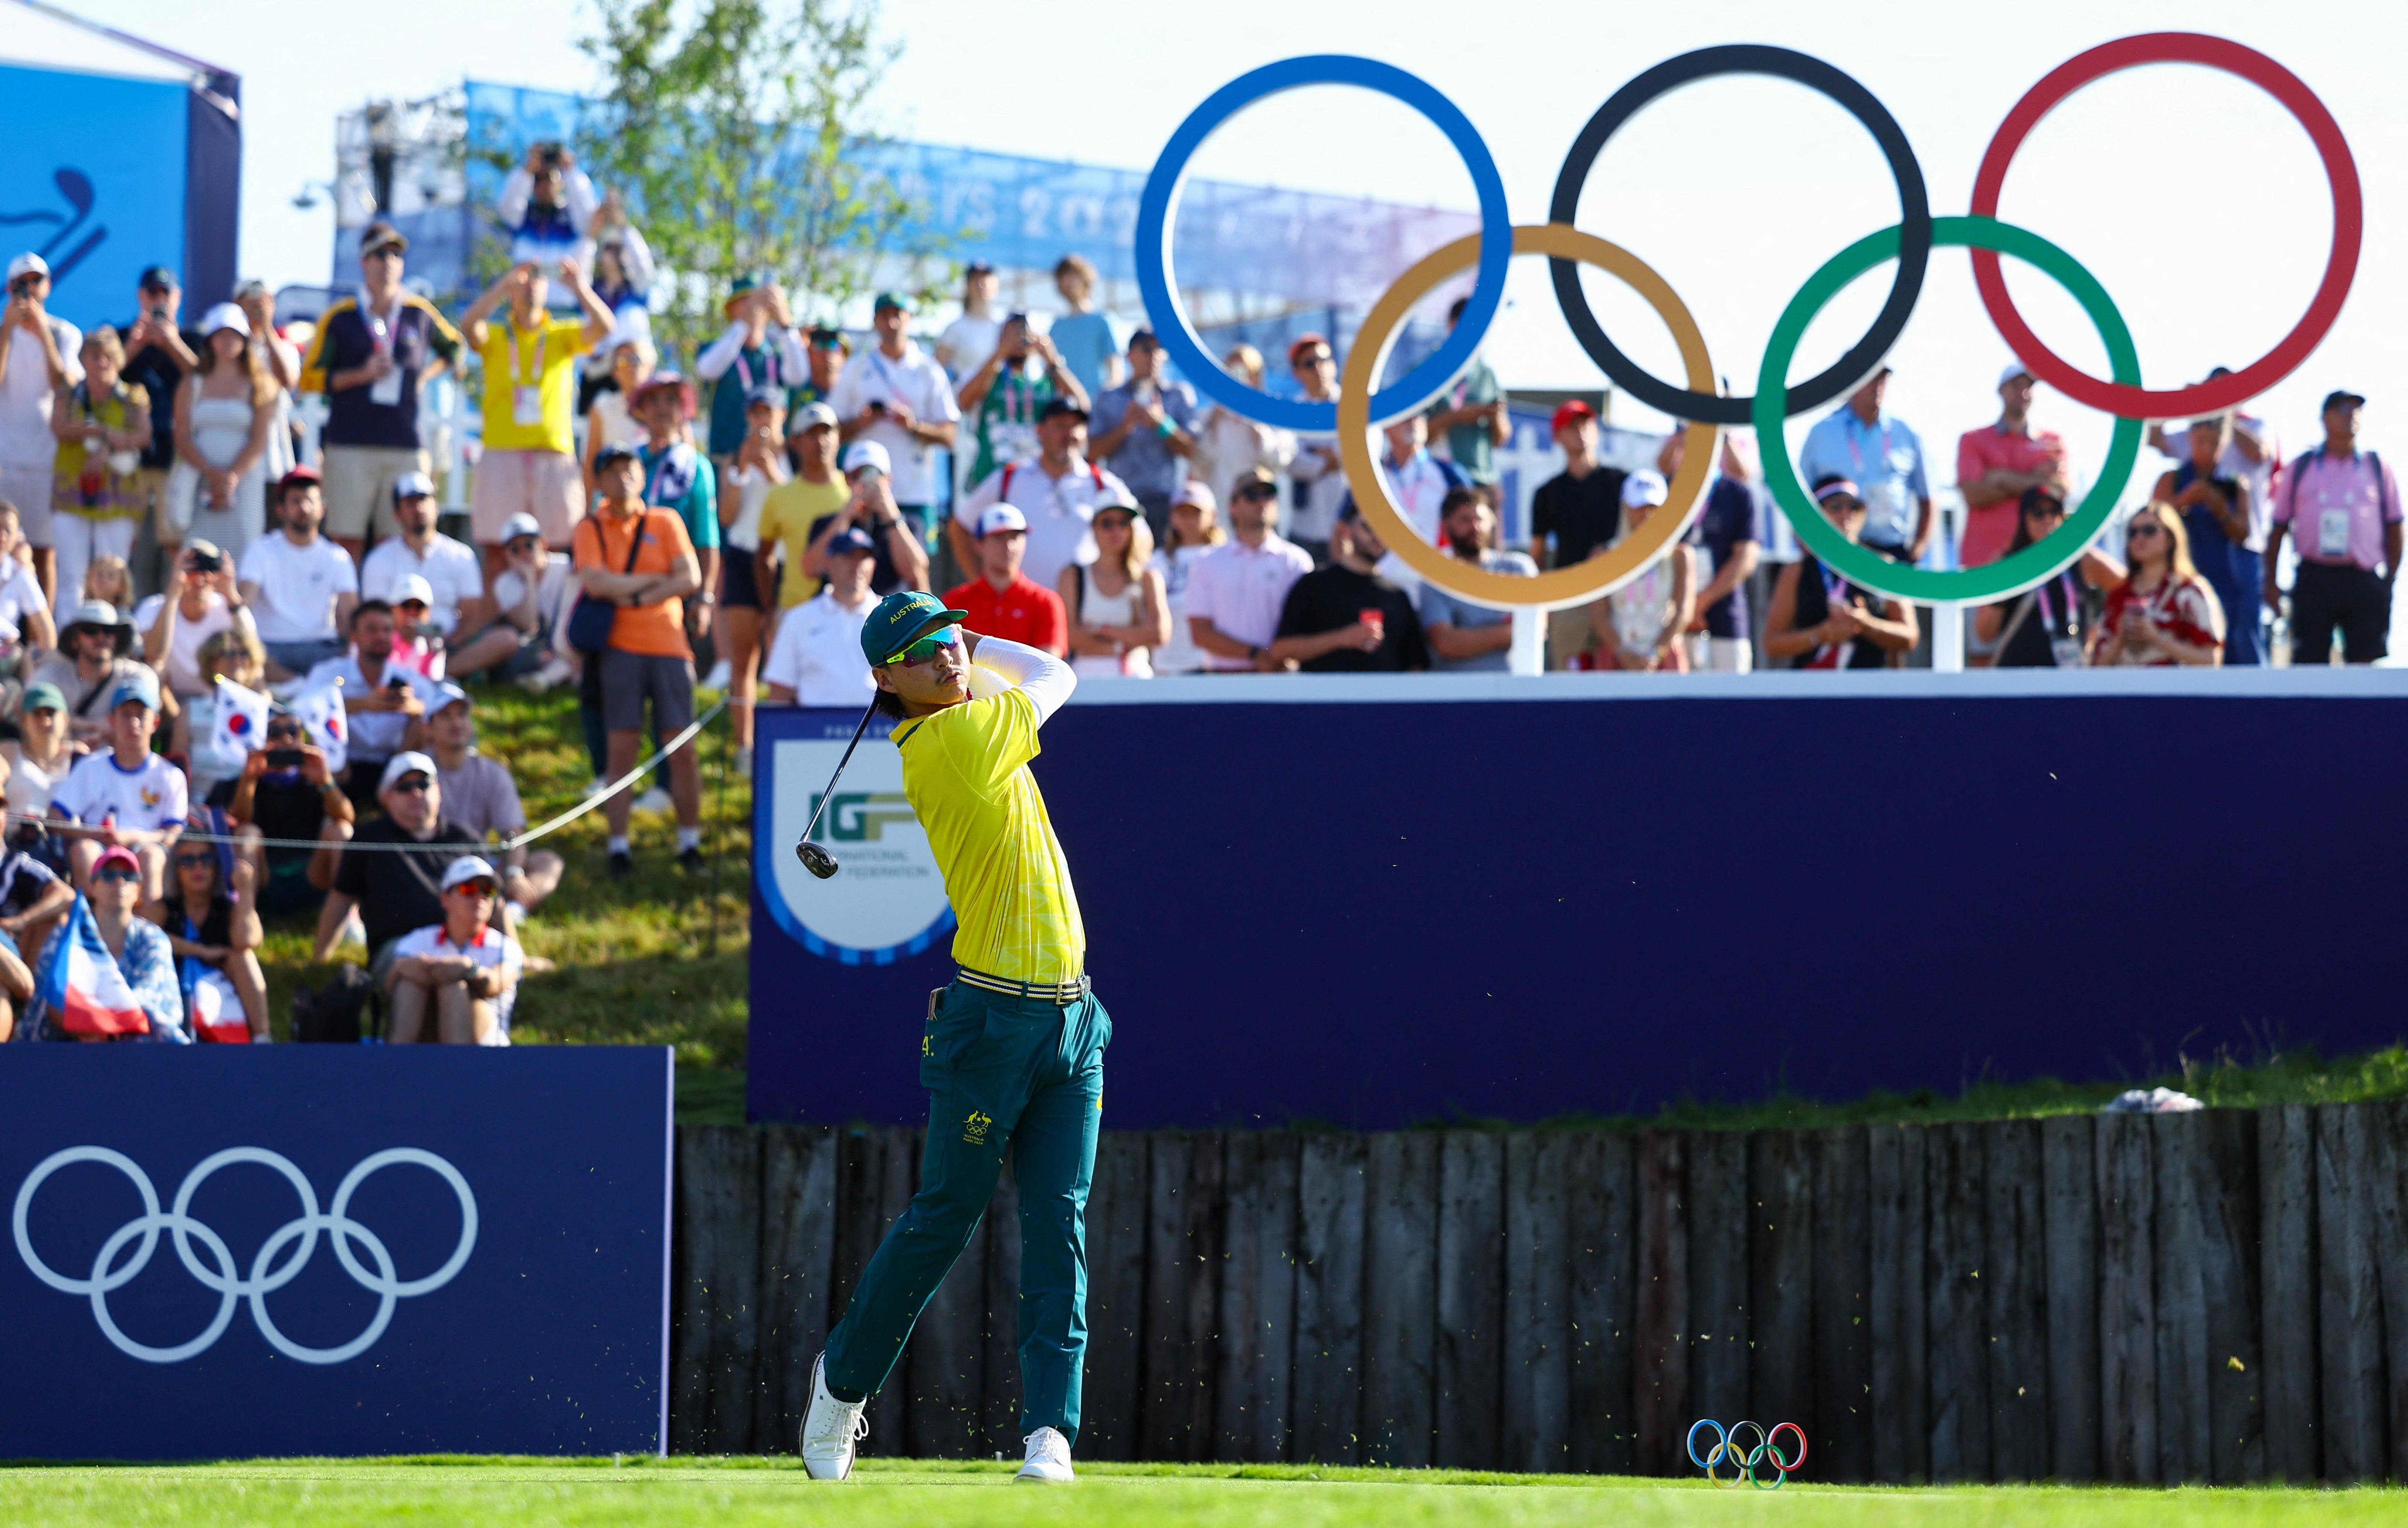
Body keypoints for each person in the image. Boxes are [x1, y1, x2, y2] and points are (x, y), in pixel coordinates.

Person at [799, 590, 1105, 1486]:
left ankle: (1051, 1430)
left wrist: (958, 642)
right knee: (945, 1219)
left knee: (1059, 1224)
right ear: (888, 678)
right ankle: (840, 1383)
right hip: (990, 1023)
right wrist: (980, 634)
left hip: (1074, 1019)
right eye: (926, 650)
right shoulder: (953, 742)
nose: (951, 657)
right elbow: (1057, 670)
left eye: (951, 640)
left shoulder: (966, 717)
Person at [574, 442, 704, 877]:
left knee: (681, 748)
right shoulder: (590, 527)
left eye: (629, 467)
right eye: (612, 470)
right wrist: (655, 582)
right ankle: (618, 846)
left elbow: (690, 576)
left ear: (642, 475)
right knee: (621, 750)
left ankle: (689, 844)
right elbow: (594, 582)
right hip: (620, 648)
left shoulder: (666, 520)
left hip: (670, 647)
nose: (623, 476)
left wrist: (631, 592)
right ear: (601, 481)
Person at [297, 222, 463, 562]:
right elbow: (310, 377)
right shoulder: (341, 317)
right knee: (347, 543)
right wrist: (361, 374)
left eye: (395, 255)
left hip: (404, 443)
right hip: (351, 443)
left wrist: (426, 376)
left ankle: (392, 613)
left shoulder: (419, 313)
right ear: (364, 262)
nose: (388, 262)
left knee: (397, 545)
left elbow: (456, 348)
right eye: (380, 254)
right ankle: (347, 613)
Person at [461, 259, 613, 568]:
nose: (530, 285)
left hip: (552, 453)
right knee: (497, 547)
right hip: (502, 451)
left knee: (558, 546)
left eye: (538, 279)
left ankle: (550, 614)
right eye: (523, 280)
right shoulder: (497, 335)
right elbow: (468, 326)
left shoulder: (561, 335)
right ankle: (501, 615)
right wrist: (501, 289)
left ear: (548, 289)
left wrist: (579, 288)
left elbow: (605, 327)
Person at [314, 751, 480, 982]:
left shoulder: (466, 840)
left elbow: (493, 901)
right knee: (427, 975)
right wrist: (319, 960)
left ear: (439, 791)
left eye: (424, 783)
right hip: (399, 951)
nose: (416, 792)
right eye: (404, 787)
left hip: (463, 946)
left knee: (463, 977)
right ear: (387, 797)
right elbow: (341, 899)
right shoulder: (369, 839)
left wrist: (514, 955)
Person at [2267, 390, 2401, 666]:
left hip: (2362, 576)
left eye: (2356, 409)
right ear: (2325, 417)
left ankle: (2363, 712)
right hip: (2315, 578)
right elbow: (2278, 526)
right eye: (2342, 408)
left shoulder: (2377, 467)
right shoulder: (2301, 467)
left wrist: (2389, 579)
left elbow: (2395, 526)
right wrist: (2270, 582)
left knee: (2364, 662)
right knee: (2309, 661)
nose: (2350, 414)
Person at [954, 398, 1132, 593]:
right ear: (1040, 431)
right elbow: (960, 527)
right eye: (1061, 426)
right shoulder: (1010, 478)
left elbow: (1140, 535)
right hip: (1022, 611)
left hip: (1085, 616)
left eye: (1077, 426)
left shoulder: (1102, 483)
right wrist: (984, 586)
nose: (1070, 434)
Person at [11, 844, 183, 1043]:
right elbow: (49, 996)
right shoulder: (64, 935)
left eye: (129, 877)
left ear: (139, 891)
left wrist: (101, 1023)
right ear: (93, 886)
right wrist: (86, 1025)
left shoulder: (153, 938)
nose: (119, 882)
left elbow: (149, 996)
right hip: (70, 1043)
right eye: (109, 875)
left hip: (135, 1046)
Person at [829, 291, 959, 547]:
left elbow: (950, 435)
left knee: (915, 570)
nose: (892, 323)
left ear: (909, 319)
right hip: (865, 495)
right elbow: (832, 432)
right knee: (863, 567)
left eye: (898, 315)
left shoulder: (928, 370)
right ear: (875, 322)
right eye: (884, 316)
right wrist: (863, 421)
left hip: (915, 493)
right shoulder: (856, 369)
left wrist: (913, 426)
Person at [426, 686, 560, 920]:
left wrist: (514, 873)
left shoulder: (492, 772)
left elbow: (512, 832)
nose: (456, 723)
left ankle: (514, 912)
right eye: (446, 716)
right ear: (428, 727)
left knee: (548, 862)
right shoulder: (417, 771)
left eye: (462, 714)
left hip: (481, 866)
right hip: (431, 867)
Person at [48, 667, 184, 898]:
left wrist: (132, 838)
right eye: (126, 714)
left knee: (152, 858)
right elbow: (55, 816)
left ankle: (149, 929)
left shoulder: (170, 775)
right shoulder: (91, 766)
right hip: (98, 847)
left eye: (141, 714)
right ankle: (90, 927)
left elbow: (173, 832)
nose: (134, 722)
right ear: (112, 720)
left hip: (145, 849)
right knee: (85, 852)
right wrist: (91, 835)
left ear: (155, 722)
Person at [1761, 476, 1921, 669]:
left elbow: (1910, 637)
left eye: (1854, 506)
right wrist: (1821, 635)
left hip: (1870, 687)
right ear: (1818, 514)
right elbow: (1772, 643)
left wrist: (1866, 624)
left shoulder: (1882, 565)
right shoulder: (1797, 571)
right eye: (1836, 506)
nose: (1846, 513)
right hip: (1813, 687)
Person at [48, 325, 151, 622]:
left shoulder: (133, 396)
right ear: (83, 360)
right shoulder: (68, 394)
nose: (101, 362)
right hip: (72, 494)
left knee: (115, 573)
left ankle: (117, 635)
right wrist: (104, 432)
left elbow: (143, 435)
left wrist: (107, 447)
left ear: (118, 359)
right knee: (71, 576)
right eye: (94, 356)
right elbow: (60, 428)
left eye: (107, 356)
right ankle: (70, 641)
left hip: (117, 496)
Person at [0, 253, 82, 599]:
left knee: (45, 553)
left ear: (47, 286)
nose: (29, 289)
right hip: (4, 457)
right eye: (23, 282)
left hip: (47, 459)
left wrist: (41, 333)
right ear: (9, 288)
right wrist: (7, 330)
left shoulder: (65, 333)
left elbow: (64, 383)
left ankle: (44, 644)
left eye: (36, 281)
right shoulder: (1, 331)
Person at [166, 303, 276, 560]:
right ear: (210, 340)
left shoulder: (261, 383)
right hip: (199, 483)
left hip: (245, 484)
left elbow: (260, 440)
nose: (228, 341)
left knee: (245, 551)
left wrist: (232, 478)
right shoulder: (192, 383)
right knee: (197, 553)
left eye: (235, 334)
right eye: (221, 334)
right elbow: (181, 435)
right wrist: (210, 473)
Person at [1269, 501, 1429, 672]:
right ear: (1347, 531)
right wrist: (1342, 638)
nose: (1377, 536)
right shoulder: (1314, 585)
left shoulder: (1397, 595)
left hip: (1383, 698)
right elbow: (1281, 650)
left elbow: (1415, 665)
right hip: (1327, 697)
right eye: (1369, 527)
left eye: (1384, 529)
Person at [307, 599, 435, 813]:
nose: (381, 637)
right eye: (372, 629)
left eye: (387, 629)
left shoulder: (408, 679)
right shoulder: (329, 673)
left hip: (394, 766)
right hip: (343, 765)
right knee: (320, 723)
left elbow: (438, 708)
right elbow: (305, 711)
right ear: (354, 636)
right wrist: (363, 705)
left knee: (422, 721)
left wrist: (414, 707)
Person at [1973, 487, 2122, 669]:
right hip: (2017, 675)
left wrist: (2098, 632)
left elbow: (2125, 587)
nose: (2048, 519)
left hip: (2068, 675)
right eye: (2038, 513)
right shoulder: (2009, 563)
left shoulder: (2081, 559)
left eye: (2054, 512)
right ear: (2024, 519)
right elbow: (1984, 634)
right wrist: (2003, 593)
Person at [224, 710, 352, 920]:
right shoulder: (239, 783)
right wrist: (249, 779)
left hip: (311, 876)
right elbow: (237, 822)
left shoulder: (314, 780)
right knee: (247, 832)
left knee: (341, 831)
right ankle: (244, 921)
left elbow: (347, 818)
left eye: (293, 731)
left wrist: (325, 780)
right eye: (274, 732)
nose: (286, 739)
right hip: (262, 879)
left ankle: (347, 919)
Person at [1798, 367, 1933, 565]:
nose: (1877, 386)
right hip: (1838, 551)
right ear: (1851, 382)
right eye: (1869, 378)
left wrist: (1917, 549)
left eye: (1882, 379)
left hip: (1894, 551)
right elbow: (1800, 499)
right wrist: (1808, 546)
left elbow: (1928, 496)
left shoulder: (1905, 433)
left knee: (1898, 597)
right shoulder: (1822, 433)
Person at [385, 854, 523, 1045]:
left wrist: (469, 969)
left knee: (454, 987)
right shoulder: (418, 939)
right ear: (445, 899)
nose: (480, 897)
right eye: (469, 889)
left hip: (487, 1048)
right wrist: (434, 970)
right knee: (410, 986)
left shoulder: (504, 946)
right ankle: (395, 1064)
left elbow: (497, 982)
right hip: (427, 1035)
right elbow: (392, 981)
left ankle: (457, 1069)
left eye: (488, 890)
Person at [629, 372, 720, 661]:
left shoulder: (696, 466)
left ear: (684, 408)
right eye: (653, 400)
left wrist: (705, 599)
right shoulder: (627, 462)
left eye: (671, 399)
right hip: (628, 586)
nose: (662, 408)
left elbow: (708, 539)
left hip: (677, 591)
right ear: (642, 410)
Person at [719, 388, 788, 768]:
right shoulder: (736, 457)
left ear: (782, 414)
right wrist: (743, 472)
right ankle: (745, 746)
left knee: (782, 654)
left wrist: (773, 473)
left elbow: (793, 505)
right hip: (745, 558)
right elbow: (727, 517)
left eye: (769, 412)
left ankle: (780, 738)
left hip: (783, 562)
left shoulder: (794, 457)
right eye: (756, 413)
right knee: (743, 659)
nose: (762, 421)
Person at [1185, 470, 1314, 672]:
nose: (1262, 502)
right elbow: (1200, 632)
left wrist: (1276, 656)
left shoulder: (1297, 561)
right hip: (1223, 680)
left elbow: (1307, 626)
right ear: (1233, 506)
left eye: (1269, 495)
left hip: (1281, 677)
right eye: (1252, 495)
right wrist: (1256, 654)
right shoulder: (1207, 561)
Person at [240, 467, 360, 680]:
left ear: (322, 508)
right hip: (271, 648)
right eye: (296, 501)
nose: (304, 508)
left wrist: (351, 654)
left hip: (324, 649)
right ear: (281, 509)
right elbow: (243, 609)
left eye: (310, 500)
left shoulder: (337, 557)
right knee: (245, 655)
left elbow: (352, 615)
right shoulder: (260, 550)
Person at [1530, 400, 1626, 670]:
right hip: (1570, 596)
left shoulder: (1620, 483)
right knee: (1570, 678)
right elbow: (1536, 555)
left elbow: (1643, 530)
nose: (1580, 432)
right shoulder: (1548, 493)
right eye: (1571, 427)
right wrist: (1542, 607)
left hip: (1619, 595)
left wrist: (1610, 550)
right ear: (1558, 437)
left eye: (1586, 425)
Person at [2152, 416, 2254, 664]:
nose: (2207, 449)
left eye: (2214, 442)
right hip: (2179, 578)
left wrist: (2220, 509)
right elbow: (2153, 522)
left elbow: (2244, 534)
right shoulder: (2172, 479)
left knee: (2226, 648)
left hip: (2222, 580)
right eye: (2201, 441)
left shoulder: (2235, 484)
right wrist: (2184, 501)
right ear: (2190, 439)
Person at [144, 839, 267, 1042]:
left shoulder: (225, 908)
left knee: (244, 957)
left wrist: (245, 893)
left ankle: (263, 1039)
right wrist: (200, 951)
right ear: (177, 870)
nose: (198, 867)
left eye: (207, 859)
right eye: (188, 861)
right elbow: (145, 937)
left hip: (222, 992)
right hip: (172, 988)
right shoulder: (164, 908)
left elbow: (248, 940)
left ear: (217, 867)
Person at [1664, 429, 1761, 673]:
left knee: (1733, 701)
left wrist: (1701, 602)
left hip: (1726, 615)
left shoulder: (1737, 494)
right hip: (1671, 618)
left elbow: (1746, 557)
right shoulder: (1667, 491)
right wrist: (1686, 607)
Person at [1086, 329, 1200, 538]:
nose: (1154, 355)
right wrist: (1125, 427)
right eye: (1147, 349)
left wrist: (1163, 425)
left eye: (1160, 349)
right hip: (1121, 502)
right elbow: (1091, 453)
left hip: (1165, 502)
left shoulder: (1178, 395)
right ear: (1129, 356)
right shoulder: (1108, 397)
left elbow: (1194, 451)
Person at [362, 472, 489, 658]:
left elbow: (472, 613)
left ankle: (436, 669)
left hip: (451, 647)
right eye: (410, 503)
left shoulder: (462, 555)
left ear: (436, 507)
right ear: (397, 514)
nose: (419, 508)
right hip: (394, 649)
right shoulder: (379, 559)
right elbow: (375, 614)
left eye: (424, 500)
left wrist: (450, 644)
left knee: (504, 640)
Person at [1956, 365, 2069, 571]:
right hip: (1984, 560)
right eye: (2016, 386)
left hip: (2039, 559)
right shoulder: (1973, 440)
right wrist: (2036, 482)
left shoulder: (2052, 442)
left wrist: (2001, 478)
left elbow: (2059, 491)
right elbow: (1973, 493)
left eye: (2029, 387)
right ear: (2001, 391)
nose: (2023, 393)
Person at [695, 274, 809, 476]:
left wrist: (786, 323)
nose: (754, 307)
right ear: (731, 310)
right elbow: (706, 369)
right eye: (745, 302)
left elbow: (799, 376)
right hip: (726, 463)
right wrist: (743, 325)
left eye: (758, 301)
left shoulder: (776, 354)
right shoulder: (716, 349)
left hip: (772, 463)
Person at [955, 311, 1083, 490]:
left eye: (1025, 333)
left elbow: (1082, 407)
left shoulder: (1047, 379)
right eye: (1012, 334)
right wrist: (999, 353)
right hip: (991, 480)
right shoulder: (989, 375)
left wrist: (1053, 360)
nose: (1020, 340)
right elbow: (963, 402)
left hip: (1036, 483)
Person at [2093, 502, 2225, 667]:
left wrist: (2158, 638)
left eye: (2150, 531)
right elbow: (2096, 667)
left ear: (2171, 538)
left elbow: (2212, 660)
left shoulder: (2190, 591)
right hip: (2127, 689)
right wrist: (2120, 640)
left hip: (2176, 690)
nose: (2139, 538)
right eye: (2132, 533)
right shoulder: (2118, 595)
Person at [1419, 487, 1535, 672]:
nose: (1475, 527)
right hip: (1457, 695)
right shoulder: (1436, 579)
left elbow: (1534, 630)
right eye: (1465, 520)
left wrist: (1469, 637)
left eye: (1480, 519)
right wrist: (1506, 633)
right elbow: (1446, 643)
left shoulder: (1518, 568)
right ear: (1445, 526)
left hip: (1515, 691)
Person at [800, 441, 930, 602]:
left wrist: (891, 517)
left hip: (891, 617)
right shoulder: (827, 524)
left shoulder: (909, 524)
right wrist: (846, 515)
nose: (867, 483)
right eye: (858, 476)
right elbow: (811, 569)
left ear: (888, 480)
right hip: (838, 616)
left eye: (874, 476)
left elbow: (916, 572)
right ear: (848, 480)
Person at [762, 526, 878, 706]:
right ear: (828, 563)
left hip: (882, 730)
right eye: (849, 557)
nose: (857, 565)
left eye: (864, 558)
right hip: (815, 730)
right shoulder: (798, 619)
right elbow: (780, 689)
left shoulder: (893, 616)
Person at [1595, 471, 1695, 673]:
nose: (1647, 515)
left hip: (1663, 655)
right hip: (1617, 656)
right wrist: (1623, 653)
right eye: (1639, 507)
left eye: (1653, 508)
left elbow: (1683, 611)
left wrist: (1656, 652)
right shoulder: (1604, 555)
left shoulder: (1679, 556)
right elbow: (1599, 615)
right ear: (1626, 508)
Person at [1058, 496, 1167, 679]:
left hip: (1136, 675)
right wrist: (1125, 643)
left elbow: (1159, 634)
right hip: (1086, 677)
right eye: (1107, 523)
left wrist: (1101, 630)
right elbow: (1069, 634)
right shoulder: (1073, 576)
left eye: (1123, 523)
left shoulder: (1148, 577)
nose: (1116, 530)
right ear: (1094, 528)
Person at [756, 402, 850, 611]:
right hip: (793, 608)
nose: (821, 441)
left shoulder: (854, 492)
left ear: (839, 437)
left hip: (847, 613)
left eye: (827, 432)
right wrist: (769, 610)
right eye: (811, 434)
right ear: (795, 442)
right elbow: (763, 556)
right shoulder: (780, 496)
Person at [1421, 296, 1510, 503]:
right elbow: (1414, 431)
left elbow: (1501, 439)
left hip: (1482, 480)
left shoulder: (1487, 375)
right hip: (1438, 479)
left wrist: (1495, 415)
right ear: (1453, 325)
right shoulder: (1426, 371)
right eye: (1473, 324)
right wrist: (1458, 416)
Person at [944, 505, 1066, 655]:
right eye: (998, 537)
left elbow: (1050, 665)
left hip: (1030, 679)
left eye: (1015, 537)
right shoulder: (956, 602)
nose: (1009, 546)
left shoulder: (1046, 601)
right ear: (979, 545)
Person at [141, 540, 253, 702]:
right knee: (155, 669)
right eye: (192, 571)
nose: (200, 580)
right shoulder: (153, 607)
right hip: (171, 702)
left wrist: (231, 595)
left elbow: (253, 653)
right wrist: (173, 595)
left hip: (219, 695)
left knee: (253, 673)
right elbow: (153, 654)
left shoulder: (228, 607)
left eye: (208, 572)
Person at [1194, 345, 1297, 517]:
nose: (1237, 378)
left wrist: (1255, 422)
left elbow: (1281, 459)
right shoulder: (1208, 416)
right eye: (1232, 371)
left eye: (1244, 371)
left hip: (1261, 510)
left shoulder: (1272, 415)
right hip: (1221, 509)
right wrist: (1215, 421)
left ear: (1256, 376)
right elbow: (1199, 459)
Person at [31, 599, 149, 747]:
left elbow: (150, 713)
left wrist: (78, 724)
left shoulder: (135, 676)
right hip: (65, 761)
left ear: (116, 639)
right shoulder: (53, 675)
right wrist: (85, 728)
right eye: (91, 630)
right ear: (75, 640)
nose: (101, 637)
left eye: (108, 631)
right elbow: (27, 709)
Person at [174, 626, 267, 803]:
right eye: (229, 653)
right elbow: (179, 770)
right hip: (199, 809)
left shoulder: (263, 712)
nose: (238, 660)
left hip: (246, 808)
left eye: (244, 653)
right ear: (211, 662)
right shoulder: (190, 711)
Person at [1282, 333, 1349, 564]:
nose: (1318, 368)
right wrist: (1333, 460)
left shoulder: (1354, 405)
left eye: (1323, 360)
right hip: (1305, 529)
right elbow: (1291, 460)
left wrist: (1315, 455)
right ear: (1297, 372)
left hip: (1348, 527)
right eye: (1309, 363)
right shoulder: (1293, 411)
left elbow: (1361, 452)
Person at [1148, 482, 1224, 676]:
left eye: (1196, 513)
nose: (1189, 520)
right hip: (1166, 664)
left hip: (1210, 663)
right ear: (1172, 517)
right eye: (1183, 513)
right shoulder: (1157, 561)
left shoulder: (1223, 558)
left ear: (1213, 516)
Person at [497, 142, 599, 272]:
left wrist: (570, 170)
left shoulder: (572, 217)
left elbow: (589, 215)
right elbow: (506, 208)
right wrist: (527, 170)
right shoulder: (524, 216)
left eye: (550, 177)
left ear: (561, 181)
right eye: (538, 179)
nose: (544, 184)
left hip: (564, 290)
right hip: (528, 290)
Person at [581, 316, 655, 484]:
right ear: (614, 371)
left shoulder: (667, 406)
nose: (630, 366)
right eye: (622, 361)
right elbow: (591, 463)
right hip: (616, 496)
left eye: (636, 359)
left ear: (650, 366)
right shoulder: (602, 409)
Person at [4, 681, 78, 841]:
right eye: (37, 714)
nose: (45, 721)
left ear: (65, 720)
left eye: (50, 713)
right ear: (24, 721)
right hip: (17, 844)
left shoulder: (79, 757)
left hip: (65, 851)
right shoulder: (8, 753)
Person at [1046, 252, 1125, 401]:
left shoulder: (1103, 321)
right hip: (1065, 411)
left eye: (1072, 275)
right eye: (1063, 277)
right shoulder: (1057, 326)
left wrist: (1108, 404)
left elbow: (1115, 369)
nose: (1068, 282)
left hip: (1096, 408)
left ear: (1085, 278)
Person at [934, 260, 1002, 383]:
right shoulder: (955, 329)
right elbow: (935, 373)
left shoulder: (1003, 329)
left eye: (987, 279)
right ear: (967, 286)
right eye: (976, 280)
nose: (982, 284)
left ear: (996, 285)